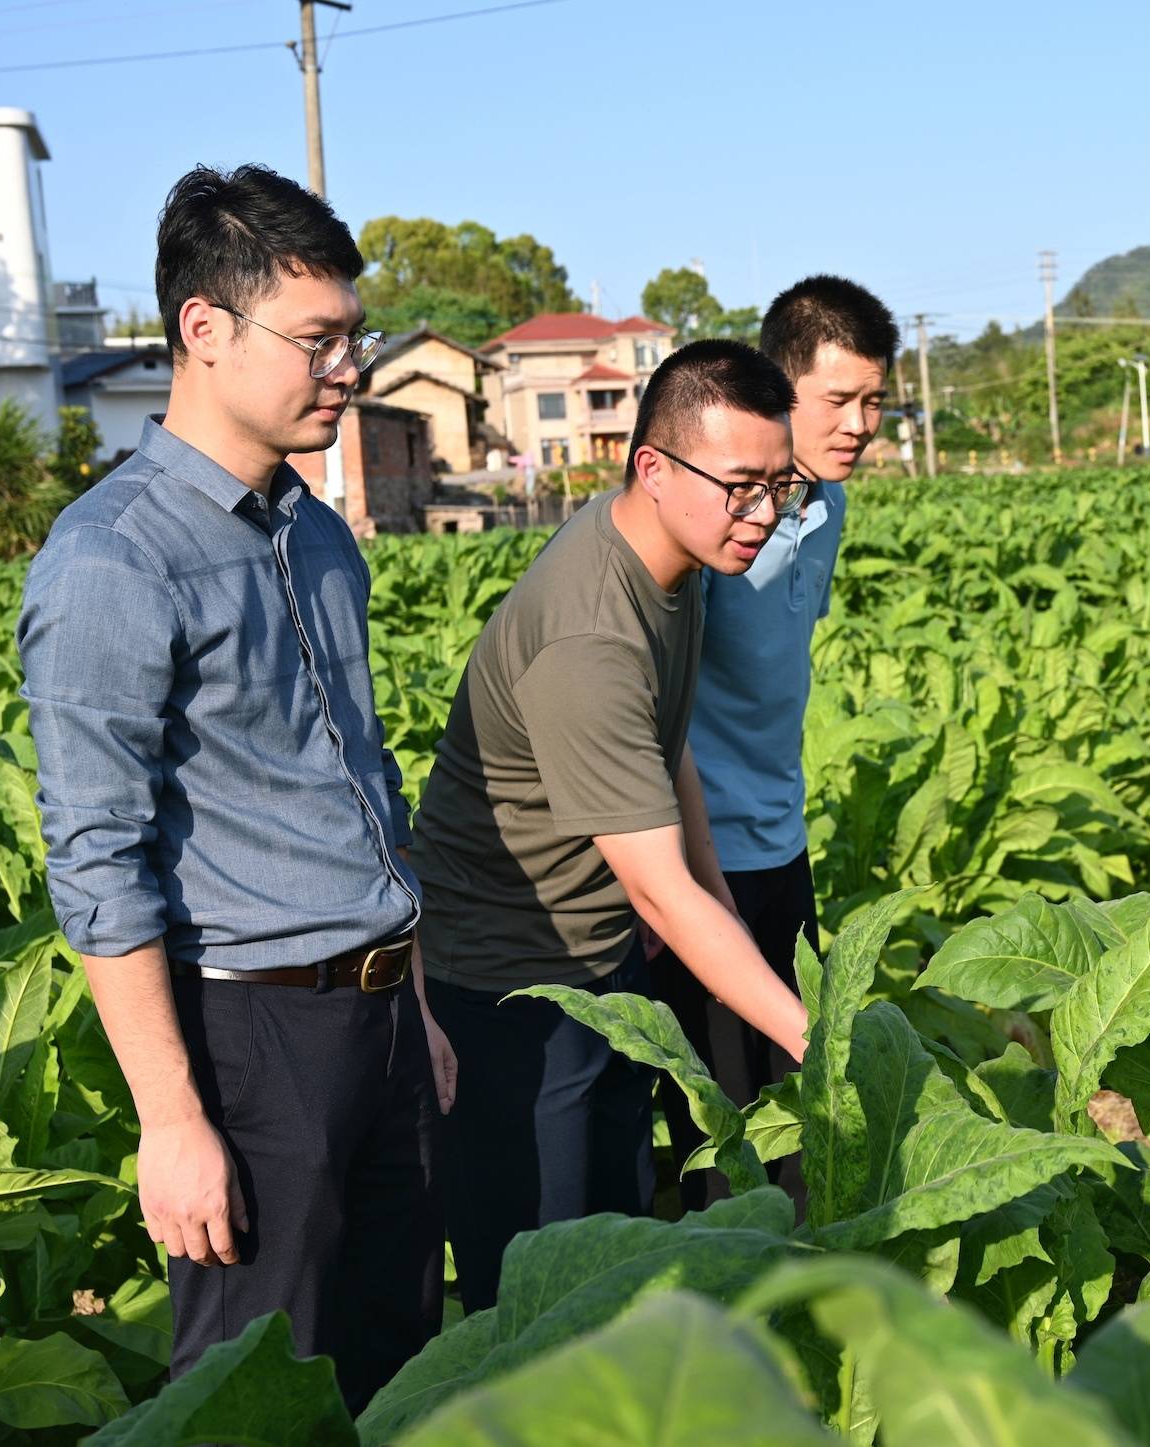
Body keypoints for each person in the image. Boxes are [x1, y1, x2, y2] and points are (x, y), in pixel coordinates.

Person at [16, 164, 449, 1411]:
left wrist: (413, 1005)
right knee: (254, 1398)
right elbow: (97, 862)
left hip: (380, 1023)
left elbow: (362, 780)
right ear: (204, 330)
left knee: (397, 1367)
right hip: (253, 1041)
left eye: (351, 336)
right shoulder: (113, 560)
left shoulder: (312, 528)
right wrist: (172, 1118)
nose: (348, 367)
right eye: (318, 339)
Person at [412, 339, 811, 1310]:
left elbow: (664, 745)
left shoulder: (666, 559)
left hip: (598, 968)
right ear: (651, 467)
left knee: (625, 1245)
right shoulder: (590, 629)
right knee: (540, 1299)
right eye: (739, 488)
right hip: (511, 996)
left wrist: (720, 896)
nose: (761, 516)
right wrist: (821, 1038)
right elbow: (659, 895)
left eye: (778, 486)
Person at [655, 276, 897, 1209]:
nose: (861, 422)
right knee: (723, 1131)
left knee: (801, 1112)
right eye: (838, 399)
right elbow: (653, 704)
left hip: (781, 844)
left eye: (875, 400)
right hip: (701, 865)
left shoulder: (827, 506)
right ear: (778, 392)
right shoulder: (711, 518)